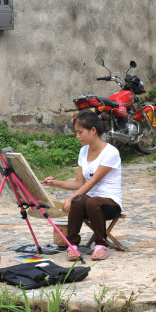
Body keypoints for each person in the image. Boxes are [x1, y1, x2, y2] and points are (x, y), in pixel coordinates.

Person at [43, 111, 122, 261]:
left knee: (88, 201)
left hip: (109, 203)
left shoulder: (111, 152)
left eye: (80, 132)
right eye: (76, 132)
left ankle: (101, 244)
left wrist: (70, 199)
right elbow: (79, 183)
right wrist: (55, 183)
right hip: (90, 203)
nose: (78, 136)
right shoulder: (83, 151)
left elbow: (93, 182)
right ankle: (72, 244)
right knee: (80, 201)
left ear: (93, 130)